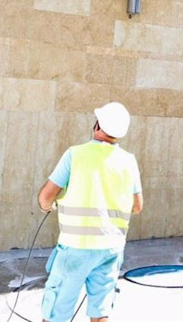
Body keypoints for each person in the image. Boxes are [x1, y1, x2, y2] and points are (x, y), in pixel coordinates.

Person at [37, 102, 143, 322]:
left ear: (97, 125)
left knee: (56, 311)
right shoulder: (128, 161)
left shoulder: (75, 154)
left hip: (76, 247)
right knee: (100, 311)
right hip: (111, 248)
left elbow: (46, 196)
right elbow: (137, 206)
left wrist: (48, 206)